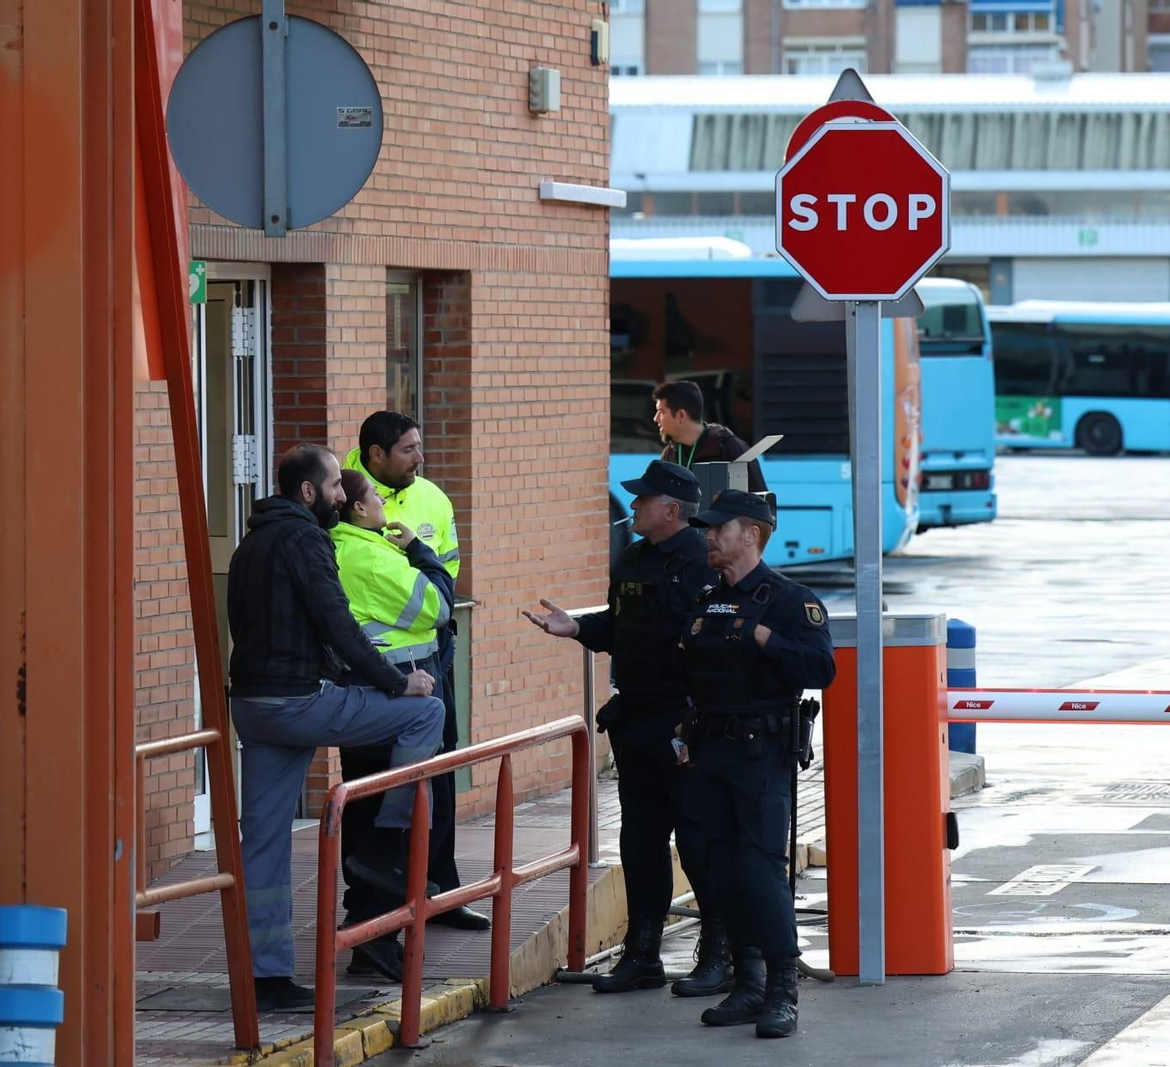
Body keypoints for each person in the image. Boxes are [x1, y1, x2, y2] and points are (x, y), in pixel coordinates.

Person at [226, 445, 444, 1013]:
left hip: (252, 704)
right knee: (426, 712)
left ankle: (265, 977)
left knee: (264, 841)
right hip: (298, 701)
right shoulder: (305, 539)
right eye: (334, 488)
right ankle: (385, 845)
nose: (342, 497)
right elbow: (339, 624)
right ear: (308, 492)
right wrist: (397, 683)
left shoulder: (251, 541)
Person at [521, 460, 734, 997]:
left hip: (686, 724)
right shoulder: (634, 558)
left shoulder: (705, 561)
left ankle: (718, 952)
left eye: (644, 499)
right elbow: (620, 628)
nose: (633, 506)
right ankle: (642, 954)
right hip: (637, 718)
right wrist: (577, 627)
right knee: (640, 840)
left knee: (698, 840)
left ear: (672, 509)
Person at [678, 490, 835, 1038]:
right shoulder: (706, 597)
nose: (709, 537)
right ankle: (747, 984)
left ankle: (782, 990)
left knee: (761, 870)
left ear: (751, 534)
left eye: (718, 529)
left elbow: (821, 668)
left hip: (761, 753)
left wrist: (763, 636)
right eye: (708, 529)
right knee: (719, 868)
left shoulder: (789, 600)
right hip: (710, 750)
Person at [342, 412, 488, 932]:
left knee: (439, 775)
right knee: (370, 787)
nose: (419, 459)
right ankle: (368, 906)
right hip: (377, 670)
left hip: (432, 656)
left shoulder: (432, 498)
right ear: (377, 455)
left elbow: (447, 571)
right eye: (408, 450)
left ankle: (440, 891)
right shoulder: (345, 493)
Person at [330, 469, 457, 981]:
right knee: (398, 820)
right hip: (400, 695)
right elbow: (439, 607)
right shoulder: (373, 557)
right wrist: (420, 553)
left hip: (365, 694)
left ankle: (365, 934)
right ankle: (375, 939)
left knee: (366, 814)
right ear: (360, 509)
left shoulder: (338, 548)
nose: (386, 505)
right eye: (376, 499)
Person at [653, 380, 768, 492]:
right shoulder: (669, 454)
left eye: (661, 412)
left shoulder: (729, 448)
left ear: (681, 416)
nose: (655, 418)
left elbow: (760, 501)